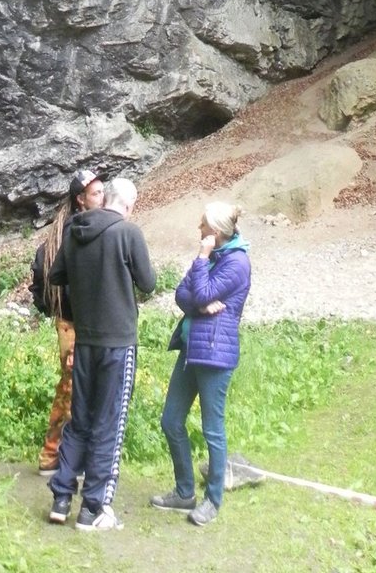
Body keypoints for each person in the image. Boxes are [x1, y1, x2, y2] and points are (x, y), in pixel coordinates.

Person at [46, 175, 157, 531]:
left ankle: (62, 496)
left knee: (80, 420)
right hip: (117, 343)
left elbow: (56, 275)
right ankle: (94, 508)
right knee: (109, 422)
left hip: (86, 341)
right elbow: (149, 283)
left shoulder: (74, 233)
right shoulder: (128, 233)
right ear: (127, 204)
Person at [150, 201, 251, 527]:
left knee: (212, 430)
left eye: (203, 226)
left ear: (217, 232)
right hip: (191, 350)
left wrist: (201, 260)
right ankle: (184, 492)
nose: (199, 230)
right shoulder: (214, 259)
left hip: (215, 355)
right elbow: (183, 295)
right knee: (171, 421)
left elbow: (203, 291)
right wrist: (199, 301)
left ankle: (213, 500)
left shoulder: (236, 263)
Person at [30, 168, 105, 476]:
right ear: (80, 200)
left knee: (73, 388)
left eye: (103, 191)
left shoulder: (64, 234)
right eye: (96, 193)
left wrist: (53, 312)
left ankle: (58, 456)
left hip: (70, 322)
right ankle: (59, 458)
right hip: (76, 324)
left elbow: (38, 284)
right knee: (75, 389)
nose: (102, 197)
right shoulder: (75, 236)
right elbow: (47, 280)